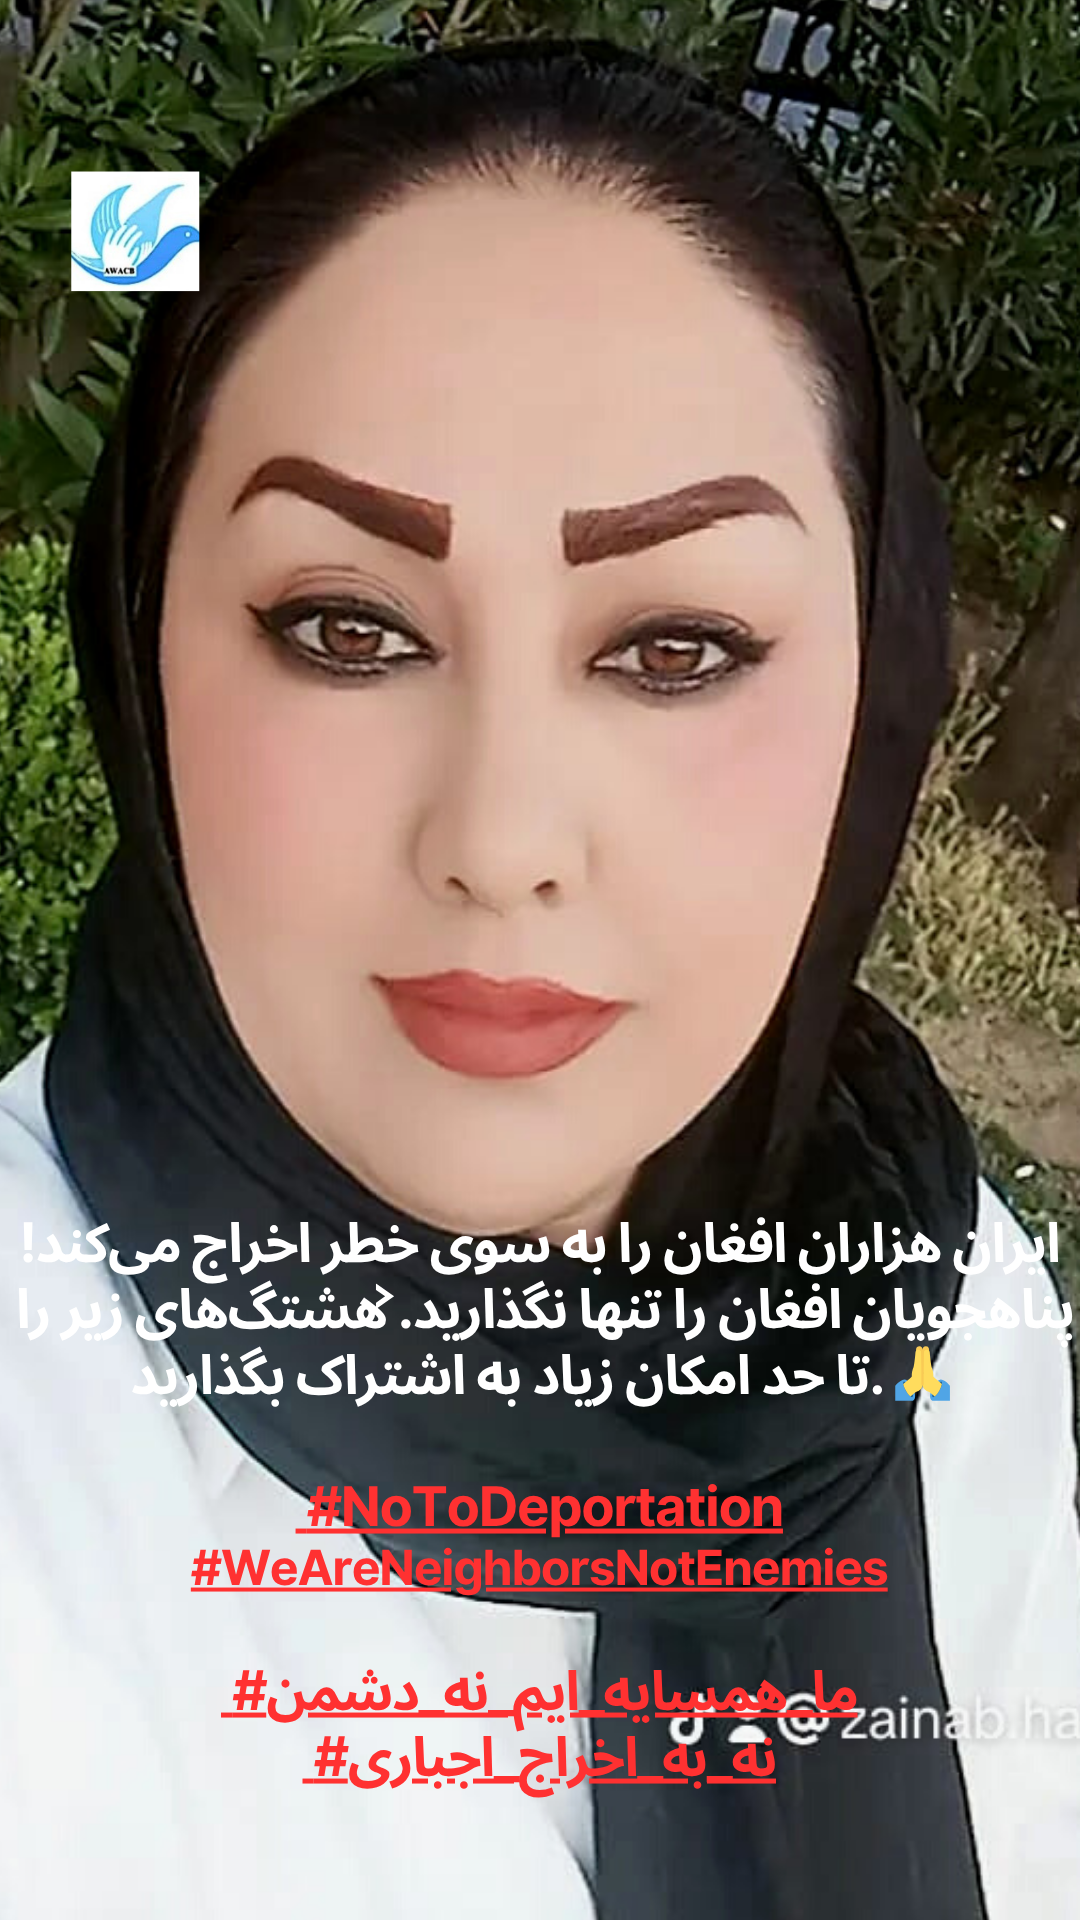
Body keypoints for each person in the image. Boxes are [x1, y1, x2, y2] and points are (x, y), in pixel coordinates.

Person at [1, 36, 1078, 1920]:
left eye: (676, 648)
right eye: (347, 628)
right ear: (143, 645)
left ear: (879, 683)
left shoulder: (932, 1287)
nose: (500, 841)